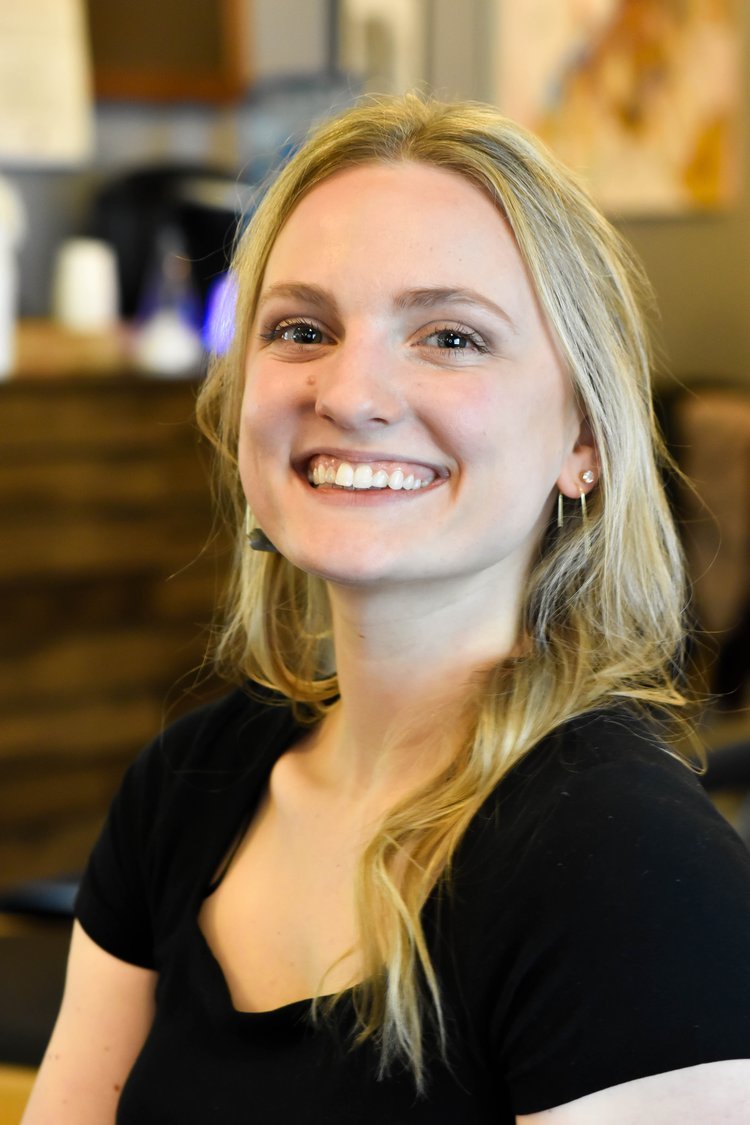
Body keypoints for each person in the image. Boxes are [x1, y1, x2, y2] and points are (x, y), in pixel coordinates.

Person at [23, 94, 750, 1123]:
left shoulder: (633, 877)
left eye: (450, 336)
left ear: (583, 439)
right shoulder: (183, 792)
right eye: (303, 328)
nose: (351, 391)